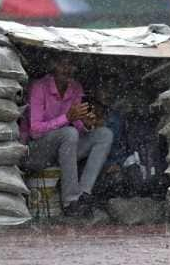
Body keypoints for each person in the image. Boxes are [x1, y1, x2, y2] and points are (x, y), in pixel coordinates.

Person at [20, 55, 113, 217]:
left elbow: (77, 124)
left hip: (64, 151)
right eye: (63, 64)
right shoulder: (39, 87)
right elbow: (35, 131)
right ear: (53, 65)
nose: (67, 69)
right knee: (69, 133)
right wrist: (67, 118)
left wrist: (86, 123)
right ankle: (70, 201)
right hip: (36, 152)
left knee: (104, 134)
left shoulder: (75, 88)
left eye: (71, 65)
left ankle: (83, 195)